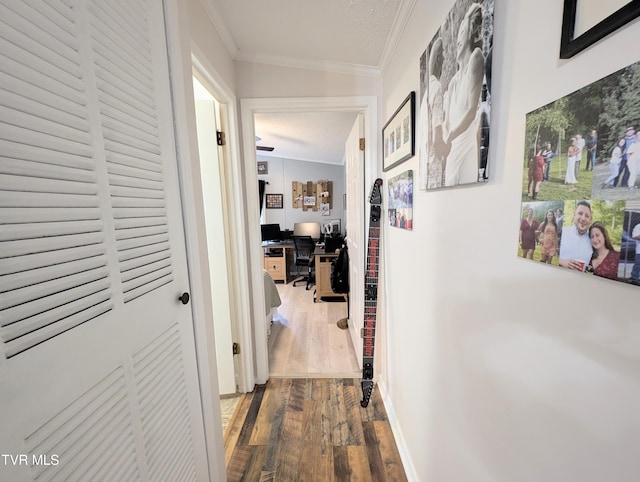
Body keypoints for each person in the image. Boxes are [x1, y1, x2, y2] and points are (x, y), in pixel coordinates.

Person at [442, 3, 484, 186]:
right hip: (452, 151)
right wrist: (447, 136)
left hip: (464, 147)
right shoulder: (453, 82)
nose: (458, 39)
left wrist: (450, 135)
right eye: (457, 34)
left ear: (471, 33)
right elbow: (445, 121)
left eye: (462, 32)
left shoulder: (476, 57)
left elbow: (471, 111)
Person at [427, 37, 449, 187]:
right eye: (443, 56)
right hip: (434, 163)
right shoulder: (437, 88)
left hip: (426, 166)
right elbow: (436, 135)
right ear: (439, 59)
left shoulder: (426, 94)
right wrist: (447, 148)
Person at [558, 200, 592, 271]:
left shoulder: (593, 239)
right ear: (574, 215)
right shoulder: (563, 232)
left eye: (587, 216)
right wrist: (562, 262)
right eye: (580, 213)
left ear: (590, 220)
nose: (583, 218)